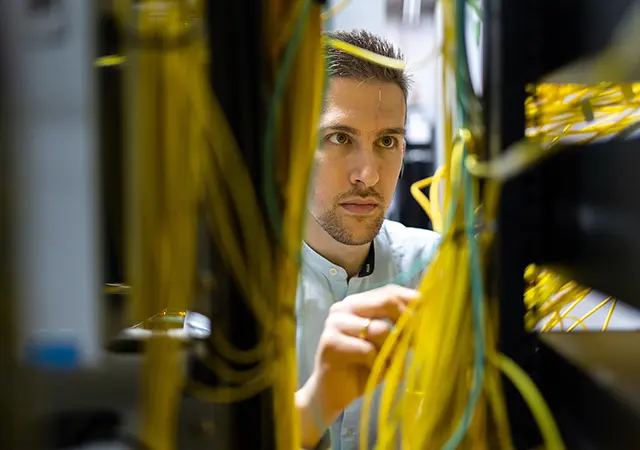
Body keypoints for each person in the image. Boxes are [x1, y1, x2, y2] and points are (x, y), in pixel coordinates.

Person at [294, 29, 441, 450]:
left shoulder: (438, 270)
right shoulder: (243, 285)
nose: (369, 175)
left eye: (387, 142)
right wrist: (316, 403)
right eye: (340, 138)